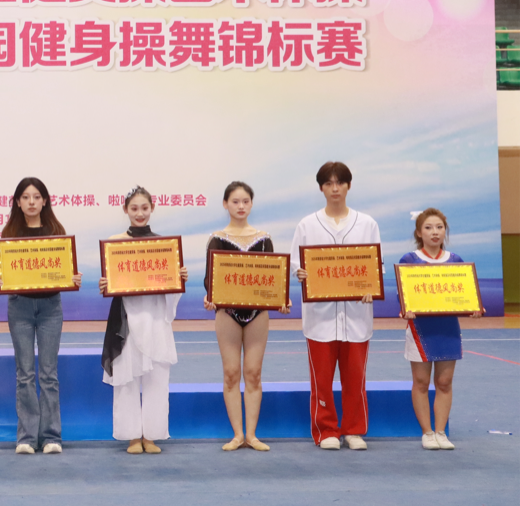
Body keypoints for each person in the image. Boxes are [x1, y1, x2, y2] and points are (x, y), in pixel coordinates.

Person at [290, 161, 380, 450]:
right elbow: (296, 264)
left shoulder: (367, 224)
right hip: (320, 318)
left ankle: (354, 430)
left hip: (357, 316)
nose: (335, 188)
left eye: (340, 182)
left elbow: (375, 266)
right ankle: (326, 430)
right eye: (328, 183)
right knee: (322, 380)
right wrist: (300, 273)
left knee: (355, 379)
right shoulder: (307, 225)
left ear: (348, 186)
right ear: (321, 188)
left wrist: (371, 286)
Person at [0, 177, 83, 455]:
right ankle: (27, 438)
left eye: (36, 197)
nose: (31, 202)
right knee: (25, 374)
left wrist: (72, 279)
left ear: (44, 201)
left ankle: (52, 437)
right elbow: (5, 274)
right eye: (25, 197)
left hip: (50, 309)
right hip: (19, 308)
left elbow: (65, 271)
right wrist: (1, 283)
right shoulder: (9, 234)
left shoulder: (57, 232)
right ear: (18, 202)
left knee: (48, 374)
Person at [99, 186, 188, 454]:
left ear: (152, 209)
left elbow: (171, 290)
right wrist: (106, 284)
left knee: (157, 378)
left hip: (155, 318)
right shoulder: (115, 244)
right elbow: (109, 284)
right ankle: (131, 437)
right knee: (126, 379)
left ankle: (151, 436)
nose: (140, 213)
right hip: (125, 319)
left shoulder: (164, 246)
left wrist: (178, 279)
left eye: (144, 208)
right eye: (134, 208)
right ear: (125, 210)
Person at [202, 181, 289, 451]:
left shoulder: (263, 239)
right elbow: (210, 280)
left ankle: (252, 435)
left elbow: (273, 277)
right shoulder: (216, 238)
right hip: (226, 313)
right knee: (231, 373)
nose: (241, 206)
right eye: (235, 201)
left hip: (257, 313)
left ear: (251, 204)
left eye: (245, 201)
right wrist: (210, 297)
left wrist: (281, 299)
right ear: (225, 204)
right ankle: (237, 435)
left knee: (253, 373)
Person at [399, 208, 481, 450]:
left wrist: (474, 307)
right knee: (421, 381)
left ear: (445, 231)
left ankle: (441, 432)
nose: (434, 232)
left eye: (439, 227)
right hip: (420, 330)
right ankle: (427, 433)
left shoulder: (455, 260)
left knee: (444, 382)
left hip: (448, 329)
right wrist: (405, 309)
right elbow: (402, 295)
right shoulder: (409, 260)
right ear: (419, 232)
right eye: (428, 228)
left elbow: (465, 293)